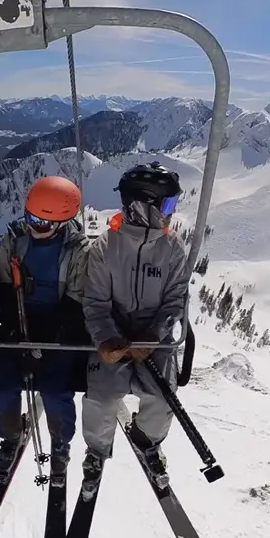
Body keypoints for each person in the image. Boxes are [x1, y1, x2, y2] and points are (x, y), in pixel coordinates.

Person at [79, 162, 189, 500]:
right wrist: (106, 338)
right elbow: (95, 302)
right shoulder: (105, 247)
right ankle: (96, 451)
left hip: (153, 339)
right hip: (114, 334)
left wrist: (155, 337)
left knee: (161, 395)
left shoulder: (172, 250)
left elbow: (175, 303)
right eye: (167, 206)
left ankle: (148, 442)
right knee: (101, 395)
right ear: (144, 206)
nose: (172, 214)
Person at [0, 175, 91, 485]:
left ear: (62, 222)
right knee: (2, 386)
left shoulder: (77, 251)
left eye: (44, 223)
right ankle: (10, 435)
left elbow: (75, 304)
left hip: (59, 329)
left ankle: (60, 442)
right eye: (31, 218)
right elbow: (4, 288)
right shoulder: (16, 240)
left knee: (55, 389)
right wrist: (16, 334)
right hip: (20, 324)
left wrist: (44, 344)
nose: (35, 226)